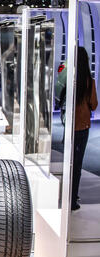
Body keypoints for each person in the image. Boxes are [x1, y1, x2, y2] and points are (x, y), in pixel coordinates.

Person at [72, 46, 98, 211]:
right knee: (77, 164)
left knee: (70, 162)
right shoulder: (89, 82)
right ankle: (73, 198)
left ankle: (68, 194)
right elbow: (94, 105)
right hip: (83, 126)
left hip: (71, 126)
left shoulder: (70, 79)